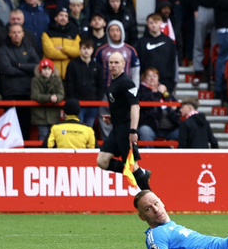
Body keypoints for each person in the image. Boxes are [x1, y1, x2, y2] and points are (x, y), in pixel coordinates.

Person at [96, 52, 151, 191]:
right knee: (102, 161)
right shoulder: (114, 82)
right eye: (110, 63)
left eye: (116, 63)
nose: (113, 65)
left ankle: (152, 199)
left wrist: (133, 131)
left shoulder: (126, 82)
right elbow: (123, 106)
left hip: (126, 129)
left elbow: (135, 107)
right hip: (117, 129)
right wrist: (113, 118)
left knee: (132, 166)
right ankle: (141, 173)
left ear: (123, 64)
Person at [65, 38, 104, 127]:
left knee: (89, 128)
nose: (86, 51)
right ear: (80, 49)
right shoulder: (72, 64)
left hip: (93, 104)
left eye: (88, 48)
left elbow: (101, 84)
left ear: (92, 50)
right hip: (78, 104)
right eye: (84, 48)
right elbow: (69, 84)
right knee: (78, 127)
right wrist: (73, 100)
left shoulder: (97, 66)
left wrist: (98, 99)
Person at [135, 13, 177, 93]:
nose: (153, 25)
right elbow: (137, 63)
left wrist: (170, 84)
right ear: (147, 24)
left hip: (165, 83)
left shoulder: (169, 42)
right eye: (151, 23)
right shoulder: (141, 42)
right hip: (145, 83)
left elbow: (173, 64)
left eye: (156, 22)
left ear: (161, 23)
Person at [138, 68, 180, 144]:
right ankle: (148, 156)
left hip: (170, 128)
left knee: (184, 131)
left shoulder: (165, 91)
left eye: (155, 76)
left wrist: (174, 107)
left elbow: (175, 104)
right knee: (145, 131)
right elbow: (147, 102)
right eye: (149, 76)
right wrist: (159, 93)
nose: (152, 78)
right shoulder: (141, 91)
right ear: (144, 78)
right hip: (151, 127)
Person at [30, 58, 65, 142]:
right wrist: (49, 98)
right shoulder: (35, 80)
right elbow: (35, 95)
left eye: (49, 69)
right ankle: (43, 154)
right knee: (43, 136)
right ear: (40, 70)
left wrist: (57, 98)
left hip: (54, 114)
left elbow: (61, 94)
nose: (47, 71)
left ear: (52, 70)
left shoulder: (57, 80)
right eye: (44, 69)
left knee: (54, 137)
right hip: (40, 115)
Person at [42, 8, 81, 80]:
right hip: (51, 76)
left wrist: (63, 48)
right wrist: (69, 55)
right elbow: (50, 53)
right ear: (55, 18)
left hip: (70, 76)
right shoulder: (47, 34)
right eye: (61, 15)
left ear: (68, 20)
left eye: (66, 16)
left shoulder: (75, 35)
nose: (63, 18)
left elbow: (78, 52)